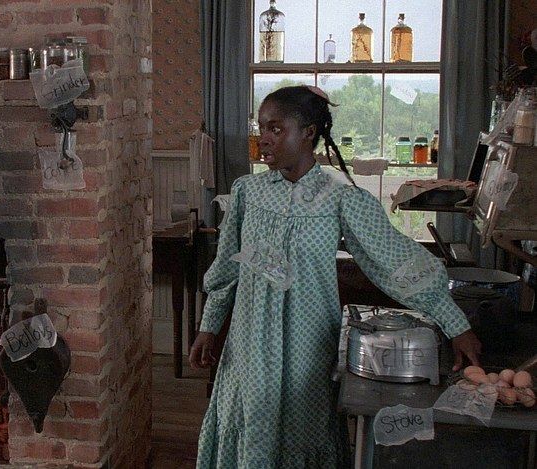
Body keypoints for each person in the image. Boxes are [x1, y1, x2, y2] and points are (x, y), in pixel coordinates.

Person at [189, 85, 481, 469]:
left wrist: (455, 323)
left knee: (301, 434)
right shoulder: (247, 192)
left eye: (276, 129)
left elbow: (395, 261)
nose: (264, 139)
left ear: (308, 132)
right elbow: (227, 268)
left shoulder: (340, 198)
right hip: (249, 345)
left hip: (308, 347)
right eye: (261, 128)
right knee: (250, 424)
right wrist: (209, 326)